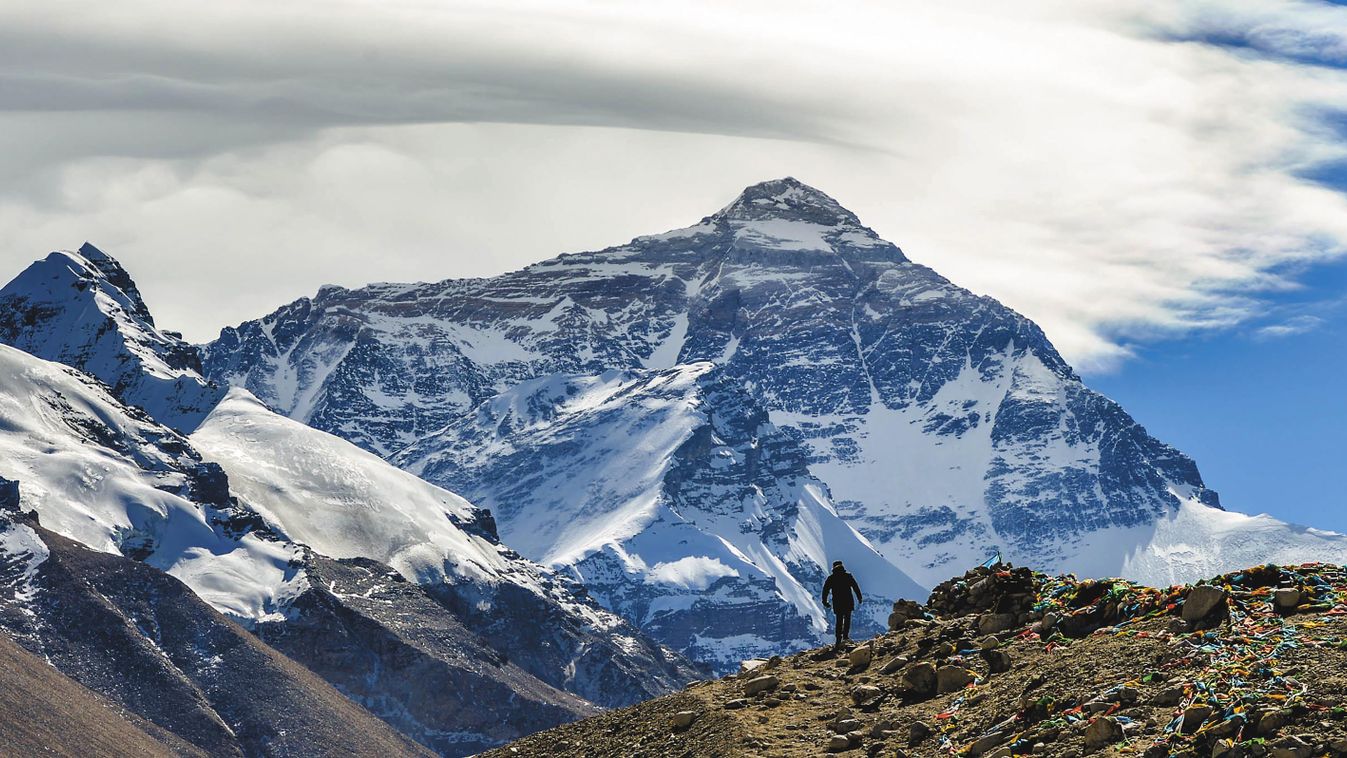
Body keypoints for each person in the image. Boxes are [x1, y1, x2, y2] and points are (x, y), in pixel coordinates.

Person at [821, 560, 862, 650]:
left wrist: (825, 601)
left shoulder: (831, 578)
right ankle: (845, 637)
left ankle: (838, 639)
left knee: (839, 620)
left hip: (837, 603)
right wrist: (859, 597)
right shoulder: (848, 576)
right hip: (848, 601)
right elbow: (855, 587)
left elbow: (825, 590)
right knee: (847, 619)